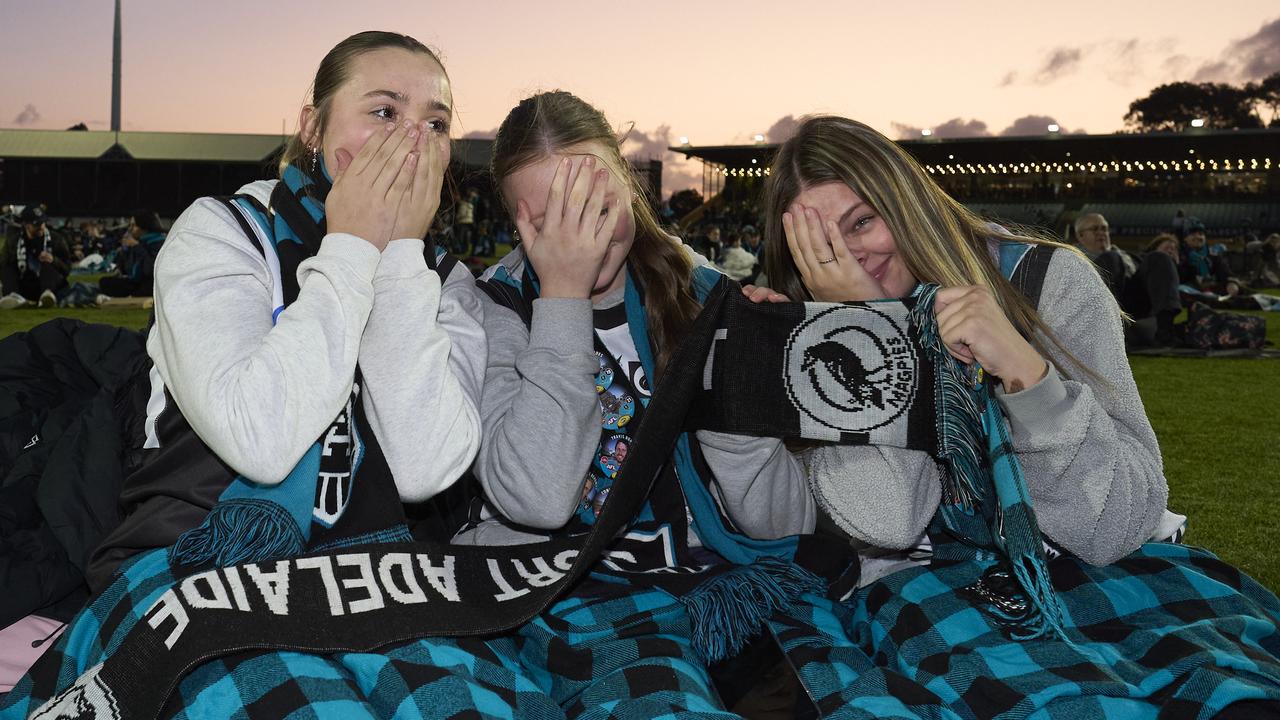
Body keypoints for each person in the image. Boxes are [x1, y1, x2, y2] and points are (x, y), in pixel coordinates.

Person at [1, 31, 552, 720]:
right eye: (384, 112)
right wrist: (351, 246)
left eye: (435, 124)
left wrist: (400, 255)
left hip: (377, 573)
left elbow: (423, 467)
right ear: (313, 128)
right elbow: (259, 436)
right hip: (199, 562)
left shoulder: (445, 282)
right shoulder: (222, 230)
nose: (411, 141)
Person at [750, 115, 1280, 716]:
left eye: (863, 222)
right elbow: (892, 522)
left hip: (1097, 572)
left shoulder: (1049, 279)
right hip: (928, 592)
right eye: (820, 249)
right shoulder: (815, 334)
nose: (852, 258)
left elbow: (1113, 526)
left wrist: (1030, 378)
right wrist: (870, 330)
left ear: (905, 201)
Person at [463, 90, 816, 717]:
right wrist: (564, 298)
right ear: (514, 223)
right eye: (551, 221)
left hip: (721, 581)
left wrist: (741, 393)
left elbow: (785, 524)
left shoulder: (708, 294)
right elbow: (539, 499)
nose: (583, 239)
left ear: (629, 184)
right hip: (568, 588)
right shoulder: (492, 311)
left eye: (596, 205)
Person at [0, 205, 71, 309]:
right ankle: (14, 297)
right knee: (7, 267)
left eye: (43, 222)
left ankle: (47, 297)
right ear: (26, 225)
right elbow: (2, 264)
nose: (41, 226)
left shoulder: (56, 239)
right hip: (25, 282)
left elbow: (67, 269)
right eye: (37, 224)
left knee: (47, 264)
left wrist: (53, 260)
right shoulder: (14, 241)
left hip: (50, 285)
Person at [97, 209, 166, 297]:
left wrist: (137, 247)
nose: (130, 229)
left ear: (143, 227)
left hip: (152, 283)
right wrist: (125, 251)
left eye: (133, 225)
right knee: (105, 282)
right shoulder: (139, 242)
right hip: (138, 282)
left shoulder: (158, 242)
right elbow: (127, 270)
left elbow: (149, 269)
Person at [1073, 212, 1135, 301]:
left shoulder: (1125, 255)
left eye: (1104, 229)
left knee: (1156, 258)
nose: (1101, 233)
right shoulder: (1072, 258)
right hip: (1097, 300)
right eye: (1095, 229)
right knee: (1110, 257)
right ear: (1080, 235)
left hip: (1134, 297)